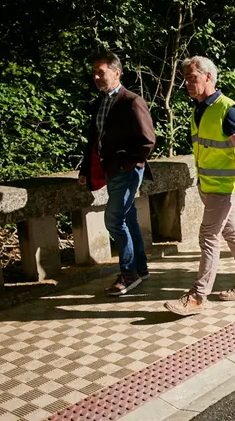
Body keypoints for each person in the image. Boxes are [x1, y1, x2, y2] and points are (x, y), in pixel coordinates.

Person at [164, 56, 235, 316]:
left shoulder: (226, 109)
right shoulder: (199, 109)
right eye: (185, 78)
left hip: (225, 187)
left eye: (192, 77)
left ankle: (197, 296)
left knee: (208, 237)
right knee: (232, 233)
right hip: (208, 186)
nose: (187, 83)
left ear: (208, 77)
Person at [79, 52, 156, 296]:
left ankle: (129, 274)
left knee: (114, 220)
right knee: (128, 218)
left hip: (127, 171)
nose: (96, 76)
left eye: (101, 72)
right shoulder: (101, 102)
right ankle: (140, 268)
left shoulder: (131, 101)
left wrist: (128, 163)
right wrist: (85, 168)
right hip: (110, 170)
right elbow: (95, 139)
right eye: (94, 72)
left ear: (117, 72)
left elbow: (148, 140)